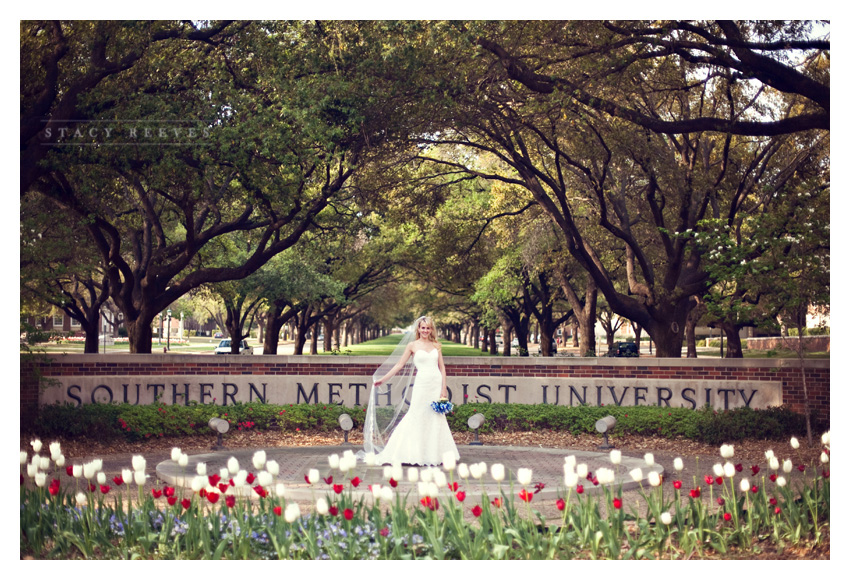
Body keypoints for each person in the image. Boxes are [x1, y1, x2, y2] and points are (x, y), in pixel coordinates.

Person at [362, 316, 460, 466]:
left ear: (431, 329)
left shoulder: (436, 345)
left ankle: (436, 454)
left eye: (428, 328)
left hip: (435, 382)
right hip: (422, 384)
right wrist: (384, 378)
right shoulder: (412, 346)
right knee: (417, 413)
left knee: (436, 417)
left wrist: (444, 388)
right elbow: (399, 365)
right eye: (423, 328)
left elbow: (442, 367)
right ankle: (409, 452)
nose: (425, 330)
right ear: (418, 329)